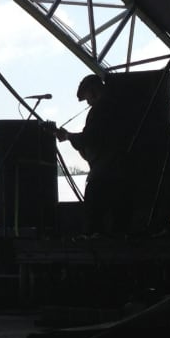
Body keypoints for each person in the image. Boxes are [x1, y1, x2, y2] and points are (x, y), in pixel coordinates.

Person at [55, 74, 129, 237]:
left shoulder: (101, 109)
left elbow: (88, 139)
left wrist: (68, 136)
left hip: (104, 172)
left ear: (93, 91)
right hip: (119, 171)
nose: (88, 103)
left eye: (88, 99)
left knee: (94, 218)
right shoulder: (117, 107)